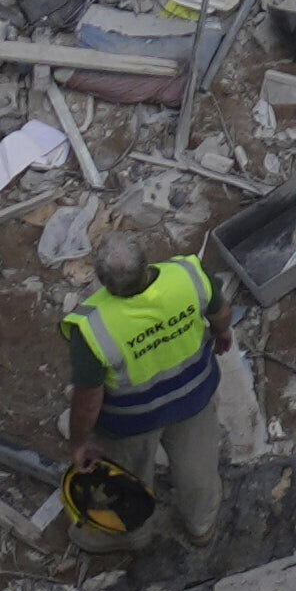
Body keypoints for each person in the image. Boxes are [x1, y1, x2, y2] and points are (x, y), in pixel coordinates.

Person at [53, 230, 233, 553]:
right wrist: (222, 334)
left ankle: (130, 533)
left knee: (127, 478)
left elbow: (88, 403)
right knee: (199, 469)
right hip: (193, 400)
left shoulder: (93, 327)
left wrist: (79, 442)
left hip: (131, 424)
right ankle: (201, 526)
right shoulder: (187, 276)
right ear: (146, 263)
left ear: (103, 282)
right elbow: (220, 313)